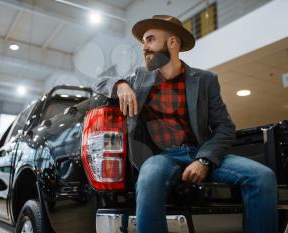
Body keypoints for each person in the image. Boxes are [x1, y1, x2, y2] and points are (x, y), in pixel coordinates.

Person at [92, 15, 278, 233]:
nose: (144, 47)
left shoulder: (205, 80)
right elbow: (98, 82)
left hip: (200, 150)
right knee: (148, 178)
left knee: (263, 176)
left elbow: (225, 127)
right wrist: (121, 85)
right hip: (161, 157)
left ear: (172, 42)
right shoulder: (140, 78)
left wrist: (204, 160)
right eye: (143, 42)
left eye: (150, 39)